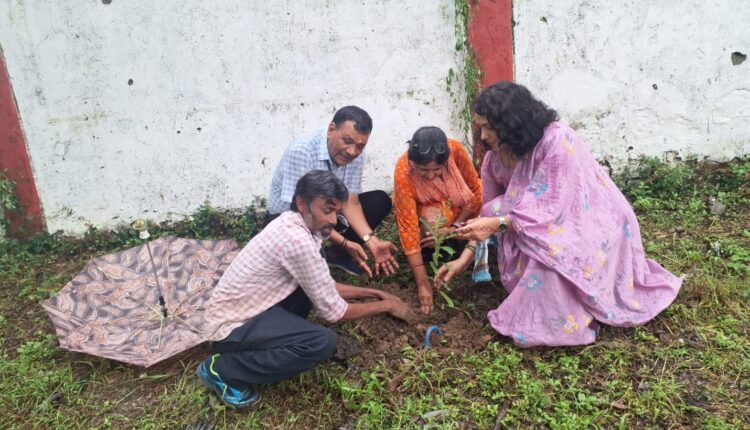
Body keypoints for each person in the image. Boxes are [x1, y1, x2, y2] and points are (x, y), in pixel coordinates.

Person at [435, 81, 682, 347]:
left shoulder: (557, 140)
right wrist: (464, 258)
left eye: (488, 127)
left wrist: (500, 221)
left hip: (589, 223)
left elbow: (554, 206)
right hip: (533, 231)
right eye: (479, 127)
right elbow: (488, 218)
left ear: (510, 122)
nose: (482, 136)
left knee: (546, 267)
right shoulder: (493, 160)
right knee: (498, 208)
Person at [199, 170, 415, 408]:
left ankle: (253, 346)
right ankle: (223, 369)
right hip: (232, 326)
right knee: (321, 342)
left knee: (307, 291)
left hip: (252, 309)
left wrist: (376, 294)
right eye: (327, 210)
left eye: (336, 212)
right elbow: (336, 313)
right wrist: (387, 305)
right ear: (302, 203)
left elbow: (325, 285)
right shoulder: (297, 241)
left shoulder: (295, 223)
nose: (334, 220)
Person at [265, 106, 398, 277]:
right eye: (347, 141)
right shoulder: (302, 152)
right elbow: (300, 211)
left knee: (378, 201)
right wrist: (345, 242)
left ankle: (336, 256)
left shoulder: (356, 154)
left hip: (326, 212)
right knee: (309, 263)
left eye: (360, 146)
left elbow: (351, 202)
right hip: (290, 219)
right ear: (331, 130)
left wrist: (372, 241)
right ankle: (328, 250)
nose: (352, 151)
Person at [392, 126, 482, 314]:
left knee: (484, 208)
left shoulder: (455, 150)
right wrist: (422, 282)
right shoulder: (403, 172)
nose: (431, 175)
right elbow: (408, 228)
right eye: (424, 170)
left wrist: (454, 228)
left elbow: (476, 191)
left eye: (437, 169)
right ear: (412, 162)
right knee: (432, 221)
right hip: (431, 211)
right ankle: (439, 246)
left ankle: (460, 239)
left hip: (460, 207)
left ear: (446, 161)